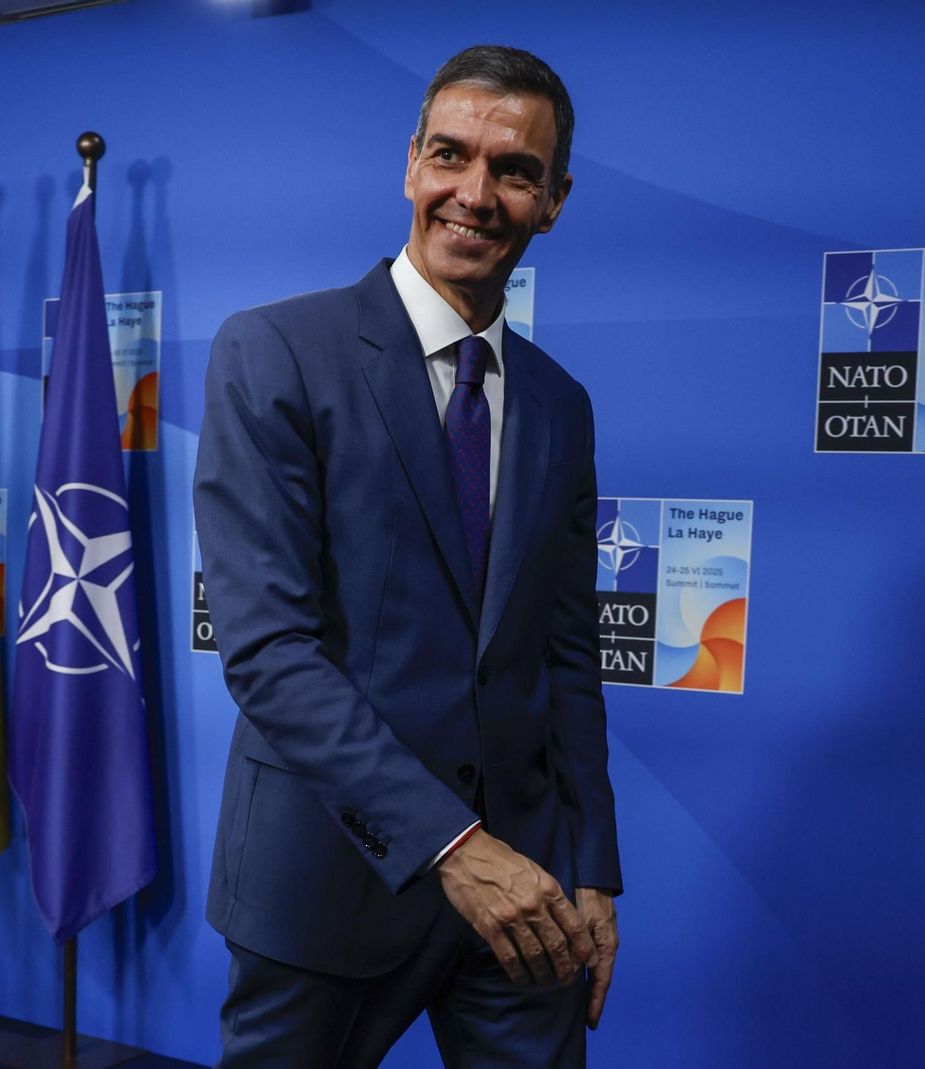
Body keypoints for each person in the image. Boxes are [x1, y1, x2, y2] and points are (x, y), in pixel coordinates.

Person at [194, 44, 622, 1068]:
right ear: (410, 166)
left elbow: (568, 655)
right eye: (450, 155)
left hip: (525, 887)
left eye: (513, 170)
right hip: (327, 877)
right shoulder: (274, 352)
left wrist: (593, 866)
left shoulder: (560, 403)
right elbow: (268, 652)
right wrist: (451, 846)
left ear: (554, 200)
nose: (475, 193)